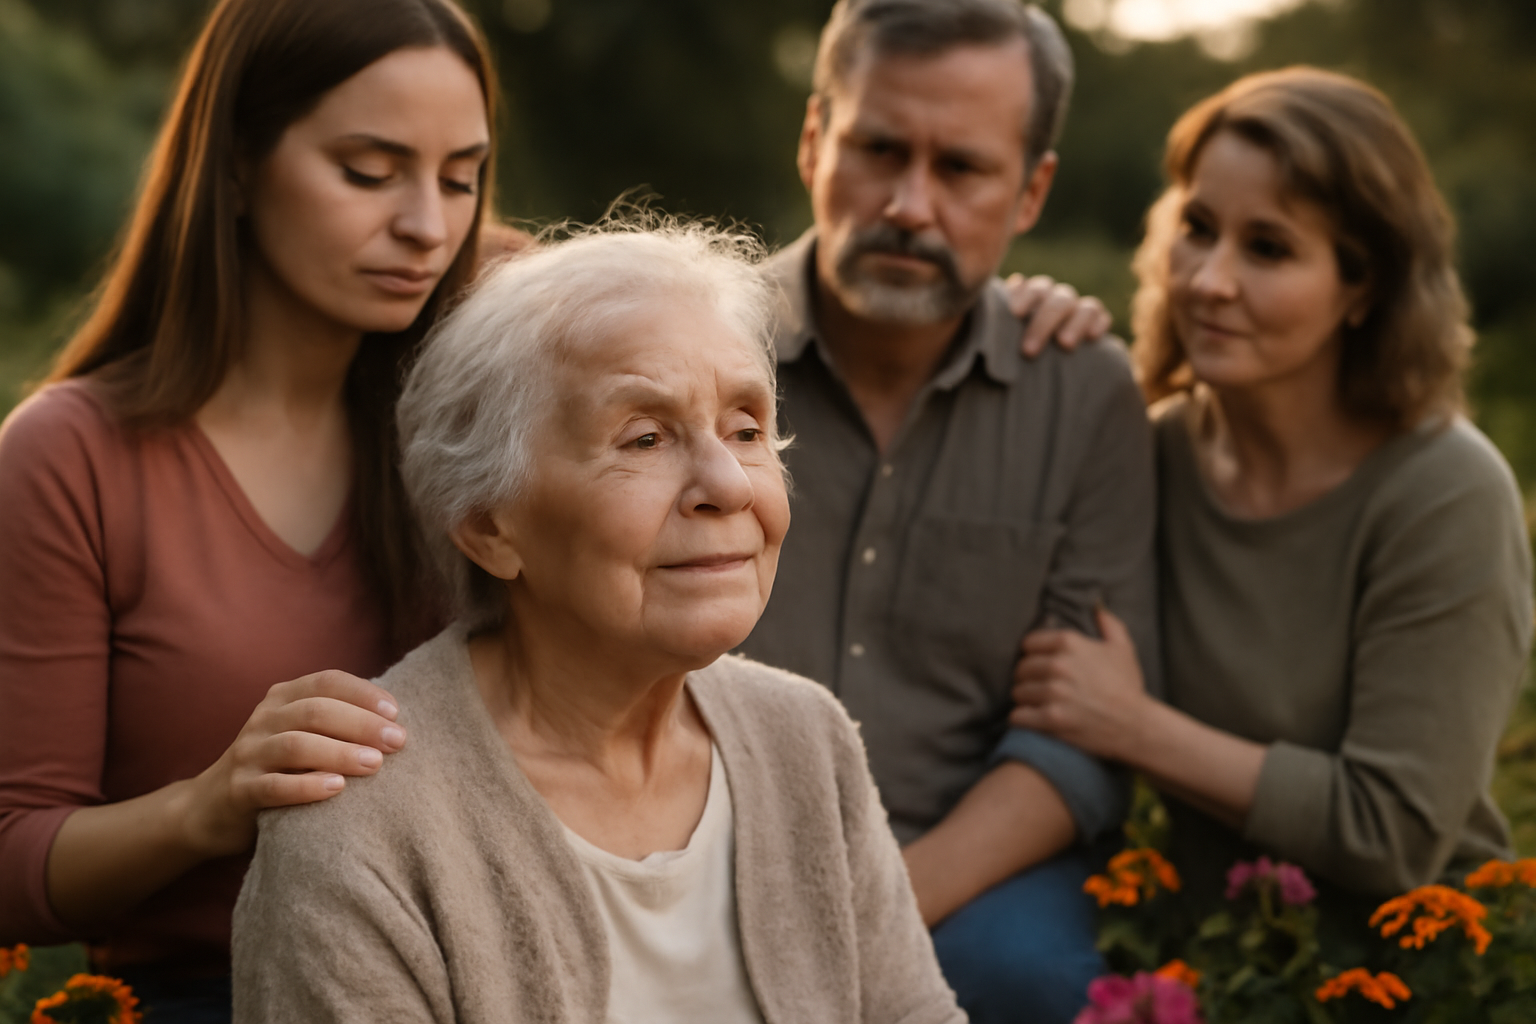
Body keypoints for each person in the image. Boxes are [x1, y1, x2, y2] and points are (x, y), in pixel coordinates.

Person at [230, 221, 966, 1024]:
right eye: (645, 438)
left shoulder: (807, 741)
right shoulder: (359, 830)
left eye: (747, 429)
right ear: (490, 528)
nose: (728, 484)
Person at [0, 0, 503, 1016]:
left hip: (497, 975)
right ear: (233, 162)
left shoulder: (485, 418)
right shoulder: (71, 457)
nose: (426, 226)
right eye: (368, 172)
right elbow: (14, 860)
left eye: (460, 179)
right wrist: (214, 801)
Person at [1012, 67, 1533, 931]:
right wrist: (1007, 326)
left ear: (1363, 286)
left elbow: (1392, 831)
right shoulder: (1149, 449)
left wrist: (1134, 727)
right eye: (1199, 228)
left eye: (1269, 248)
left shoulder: (1445, 493)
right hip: (1203, 958)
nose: (1210, 280)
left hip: (1415, 969)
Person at [734, 2, 1159, 1020]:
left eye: (962, 169)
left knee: (1036, 981)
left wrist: (876, 904)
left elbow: (1078, 742)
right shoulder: (693, 351)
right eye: (879, 149)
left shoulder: (1087, 392)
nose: (911, 206)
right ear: (813, 142)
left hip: (973, 870)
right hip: (697, 838)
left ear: (1032, 190)